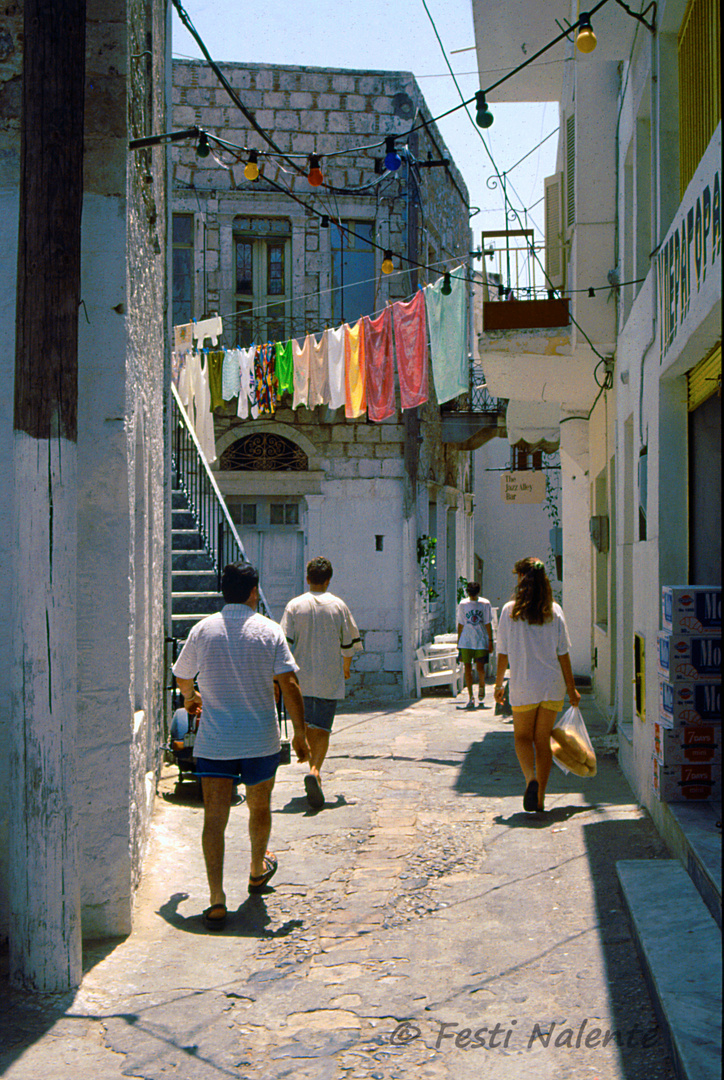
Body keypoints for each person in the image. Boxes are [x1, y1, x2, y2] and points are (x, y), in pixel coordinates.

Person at [172, 561, 309, 929]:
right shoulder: (268, 631)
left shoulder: (203, 630)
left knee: (214, 818)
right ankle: (255, 869)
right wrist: (300, 734)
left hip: (216, 742)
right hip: (259, 740)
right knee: (259, 808)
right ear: (253, 591)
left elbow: (182, 674)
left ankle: (216, 900)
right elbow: (290, 684)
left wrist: (190, 697)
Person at [493, 556, 581, 813]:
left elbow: (503, 653)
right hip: (552, 686)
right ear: (544, 581)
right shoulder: (555, 611)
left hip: (524, 686)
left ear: (521, 579)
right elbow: (563, 653)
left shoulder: (509, 612)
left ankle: (529, 778)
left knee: (522, 737)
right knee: (543, 740)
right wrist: (572, 688)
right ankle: (540, 799)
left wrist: (498, 685)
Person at [280, 557, 363, 809]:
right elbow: (348, 644)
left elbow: (285, 645)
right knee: (323, 728)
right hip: (329, 678)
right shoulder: (339, 606)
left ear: (307, 578)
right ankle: (315, 770)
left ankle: (307, 759)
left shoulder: (294, 606)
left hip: (300, 679)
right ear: (328, 580)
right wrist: (346, 668)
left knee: (304, 725)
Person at [456, 581, 494, 709]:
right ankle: (470, 696)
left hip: (480, 639)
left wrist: (490, 640)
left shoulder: (485, 603)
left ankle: (481, 685)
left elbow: (488, 623)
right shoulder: (463, 604)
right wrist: (459, 641)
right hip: (466, 640)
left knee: (480, 667)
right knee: (467, 668)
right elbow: (461, 623)